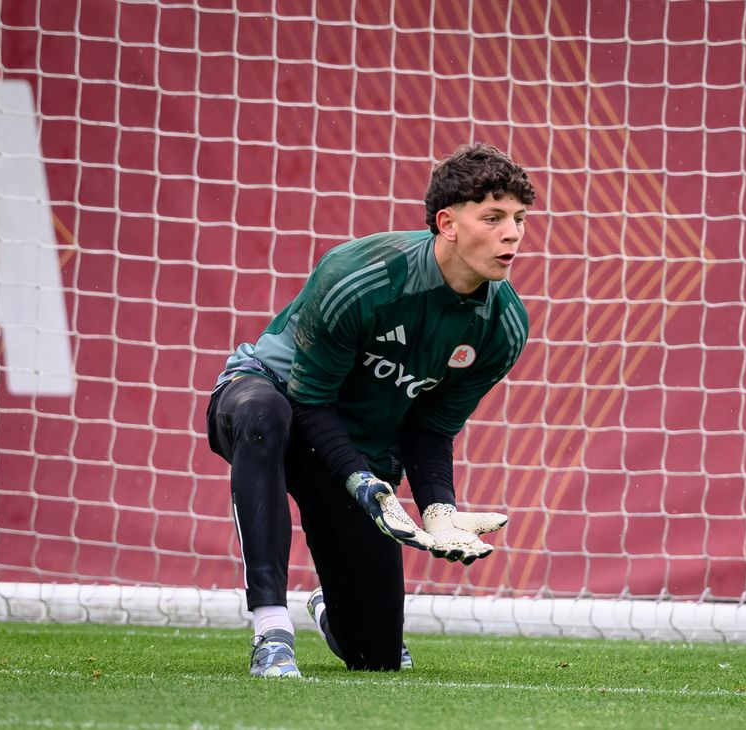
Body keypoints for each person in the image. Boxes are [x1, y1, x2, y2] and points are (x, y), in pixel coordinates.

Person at [205, 142, 536, 677]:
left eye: (519, 219)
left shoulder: (503, 328)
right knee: (263, 414)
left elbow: (430, 430)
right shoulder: (361, 274)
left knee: (377, 656)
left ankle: (334, 607)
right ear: (447, 224)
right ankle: (271, 628)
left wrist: (439, 509)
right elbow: (308, 398)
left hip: (346, 442)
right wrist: (363, 481)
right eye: (493, 218)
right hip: (273, 397)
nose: (513, 233)